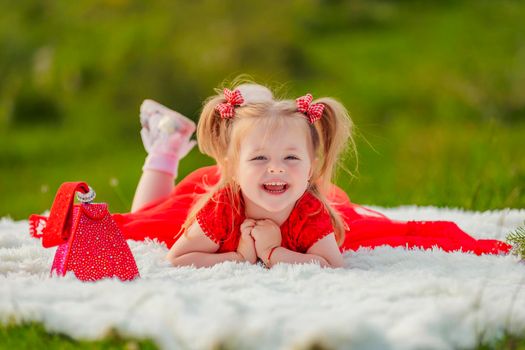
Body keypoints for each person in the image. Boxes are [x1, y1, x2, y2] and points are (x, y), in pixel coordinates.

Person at [112, 81, 512, 268]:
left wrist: (273, 253)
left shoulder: (310, 209)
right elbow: (176, 257)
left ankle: (260, 115)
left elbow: (331, 265)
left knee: (367, 228)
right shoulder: (220, 205)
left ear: (311, 165)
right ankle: (168, 144)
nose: (276, 168)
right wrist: (235, 256)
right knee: (147, 222)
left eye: (290, 157)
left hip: (281, 192)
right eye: (263, 158)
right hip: (228, 194)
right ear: (231, 166)